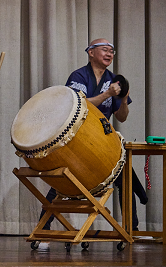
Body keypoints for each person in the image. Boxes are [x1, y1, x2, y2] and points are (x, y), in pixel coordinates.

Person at [37, 38, 147, 249]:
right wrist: (107, 94)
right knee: (63, 180)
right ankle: (44, 230)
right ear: (91, 52)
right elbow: (78, 104)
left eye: (112, 51)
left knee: (124, 175)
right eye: (105, 50)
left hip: (103, 138)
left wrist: (123, 99)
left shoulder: (114, 80)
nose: (109, 54)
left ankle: (132, 230)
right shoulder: (79, 76)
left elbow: (121, 117)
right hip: (77, 138)